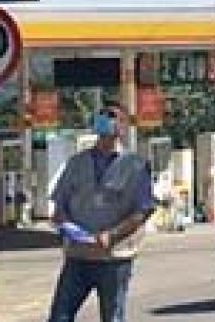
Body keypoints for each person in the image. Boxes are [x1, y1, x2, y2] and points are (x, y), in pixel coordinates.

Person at [47, 101, 155, 322]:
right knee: (59, 315)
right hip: (78, 255)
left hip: (114, 258)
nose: (106, 121)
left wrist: (111, 235)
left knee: (112, 316)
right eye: (102, 116)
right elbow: (60, 204)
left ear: (122, 126)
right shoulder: (77, 163)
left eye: (112, 116)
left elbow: (142, 211)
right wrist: (65, 225)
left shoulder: (135, 166)